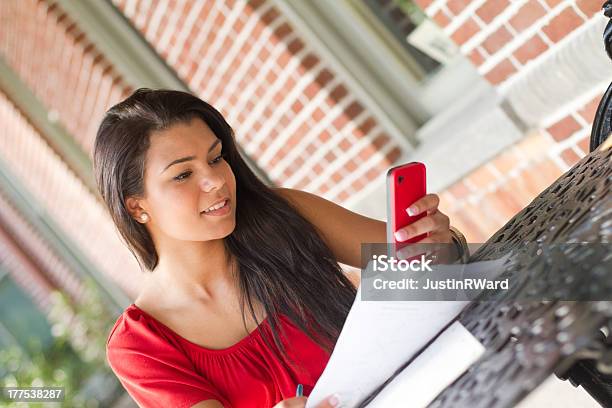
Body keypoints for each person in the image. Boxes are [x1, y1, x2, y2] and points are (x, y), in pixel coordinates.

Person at [93, 88, 463, 408]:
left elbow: (428, 267)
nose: (216, 181)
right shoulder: (139, 346)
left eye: (216, 157)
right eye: (183, 175)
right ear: (137, 206)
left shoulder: (284, 216)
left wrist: (442, 245)